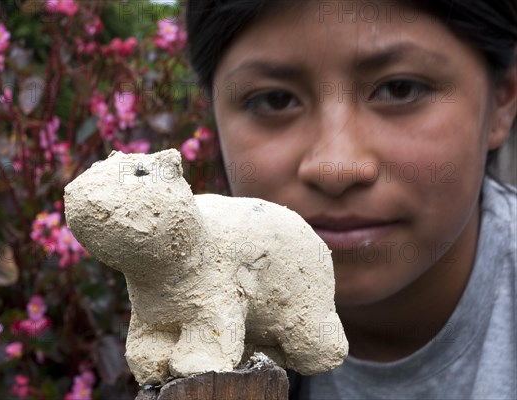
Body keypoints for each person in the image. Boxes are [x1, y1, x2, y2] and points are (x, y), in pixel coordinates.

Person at [185, 1, 517, 399]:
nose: (335, 168)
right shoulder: (188, 339)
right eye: (274, 100)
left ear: (501, 102)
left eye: (400, 89)